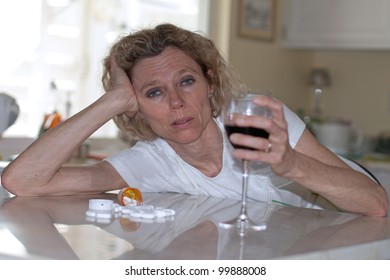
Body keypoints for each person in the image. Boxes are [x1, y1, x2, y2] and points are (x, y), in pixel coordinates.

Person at [1, 24, 388, 217]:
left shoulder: (254, 118)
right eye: (153, 92)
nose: (177, 102)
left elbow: (374, 203)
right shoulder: (148, 161)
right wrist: (113, 100)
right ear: (135, 106)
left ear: (210, 81)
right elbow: (22, 181)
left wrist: (291, 163)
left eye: (187, 81)